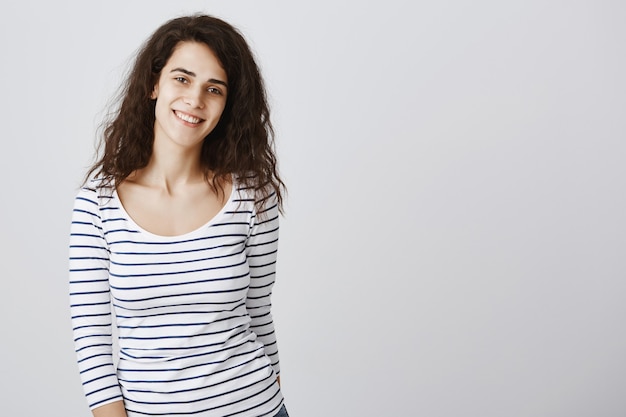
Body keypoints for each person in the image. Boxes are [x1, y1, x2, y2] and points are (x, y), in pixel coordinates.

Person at [69, 14, 288, 417]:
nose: (195, 100)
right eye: (182, 79)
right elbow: (92, 345)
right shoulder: (97, 205)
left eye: (214, 89)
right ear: (154, 83)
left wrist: (275, 377)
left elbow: (258, 312)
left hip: (255, 405)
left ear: (228, 104)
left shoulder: (254, 196)